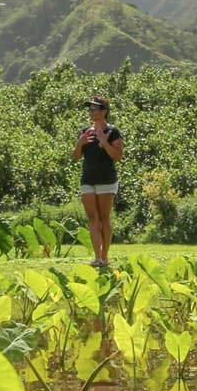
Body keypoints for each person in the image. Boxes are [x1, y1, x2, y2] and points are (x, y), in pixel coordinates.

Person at [74, 96, 124, 268]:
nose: (91, 112)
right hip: (88, 179)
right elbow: (75, 157)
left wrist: (104, 142)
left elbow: (117, 157)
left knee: (104, 217)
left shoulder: (113, 132)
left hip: (106, 180)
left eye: (94, 109)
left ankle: (105, 255)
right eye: (90, 109)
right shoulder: (84, 131)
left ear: (104, 111)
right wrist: (79, 144)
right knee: (92, 217)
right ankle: (97, 257)